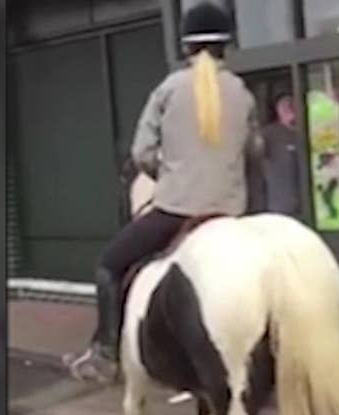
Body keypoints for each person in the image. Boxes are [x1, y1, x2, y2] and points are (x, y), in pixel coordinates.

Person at [62, 1, 263, 382]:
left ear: (187, 47)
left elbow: (141, 153)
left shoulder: (169, 88)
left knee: (108, 264)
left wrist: (171, 173)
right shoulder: (242, 92)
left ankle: (106, 353)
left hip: (176, 209)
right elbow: (255, 151)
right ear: (225, 47)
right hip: (231, 211)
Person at [260, 92, 301, 216]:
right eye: (285, 106)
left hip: (305, 203)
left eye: (292, 105)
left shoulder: (305, 132)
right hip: (279, 205)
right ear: (278, 110)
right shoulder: (268, 135)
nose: (289, 109)